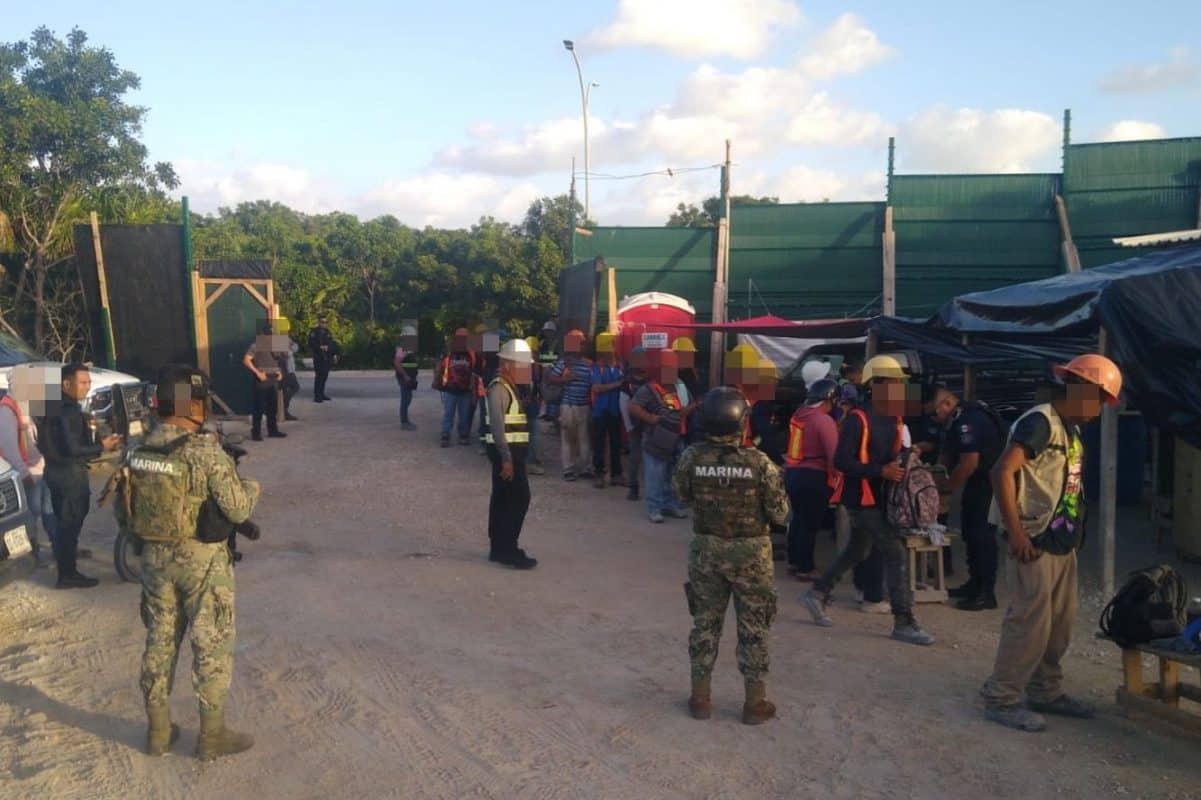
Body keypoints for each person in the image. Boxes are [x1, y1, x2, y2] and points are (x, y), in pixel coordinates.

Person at [116, 365, 260, 760]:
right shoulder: (204, 450)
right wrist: (251, 485)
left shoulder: (138, 450)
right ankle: (211, 738)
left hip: (154, 561)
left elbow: (123, 511)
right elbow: (237, 507)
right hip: (203, 564)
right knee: (211, 643)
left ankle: (158, 733)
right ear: (192, 404)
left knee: (159, 642)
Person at [980, 354, 1121, 732]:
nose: (1097, 413)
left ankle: (1046, 690)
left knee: (1059, 625)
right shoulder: (1041, 422)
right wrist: (1017, 532)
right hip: (1034, 539)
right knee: (1029, 623)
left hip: (1061, 541)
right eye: (1097, 401)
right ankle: (1002, 697)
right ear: (1079, 389)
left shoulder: (1070, 430)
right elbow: (1002, 471)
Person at [799, 355, 935, 646]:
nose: (901, 388)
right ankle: (903, 621)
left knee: (857, 551)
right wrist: (881, 470)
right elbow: (842, 461)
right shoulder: (858, 419)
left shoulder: (894, 419)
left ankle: (818, 592)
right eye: (896, 382)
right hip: (861, 499)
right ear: (879, 384)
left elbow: (888, 457)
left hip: (880, 497)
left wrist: (906, 458)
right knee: (895, 551)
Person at [675, 387, 791, 725]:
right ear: (741, 423)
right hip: (752, 556)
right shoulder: (760, 464)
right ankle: (754, 703)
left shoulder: (691, 458)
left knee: (705, 623)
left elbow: (682, 497)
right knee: (754, 626)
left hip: (707, 553)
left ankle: (700, 698)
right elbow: (781, 514)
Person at [36, 363, 123, 588]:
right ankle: (67, 575)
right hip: (68, 475)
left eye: (89, 382)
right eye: (83, 382)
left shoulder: (51, 404)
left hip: (56, 472)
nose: (88, 387)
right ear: (66, 383)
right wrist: (101, 446)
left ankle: (67, 570)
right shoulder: (67, 410)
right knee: (69, 526)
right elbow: (72, 449)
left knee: (67, 525)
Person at [927, 385, 1006, 611]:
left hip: (990, 482)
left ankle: (986, 593)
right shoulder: (957, 419)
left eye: (936, 412)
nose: (935, 417)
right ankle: (974, 583)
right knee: (970, 530)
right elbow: (948, 452)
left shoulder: (967, 421)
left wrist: (946, 488)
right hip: (979, 481)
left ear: (948, 404)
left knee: (982, 534)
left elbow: (969, 463)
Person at [485, 339, 538, 569]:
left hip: (511, 455)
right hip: (507, 456)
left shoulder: (511, 387)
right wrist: (506, 458)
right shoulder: (499, 388)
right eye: (523, 366)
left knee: (503, 499)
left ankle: (499, 548)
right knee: (517, 499)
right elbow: (497, 426)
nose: (526, 370)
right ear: (508, 364)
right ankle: (508, 549)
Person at [783, 378, 840, 581]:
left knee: (798, 520)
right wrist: (836, 479)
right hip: (814, 476)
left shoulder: (800, 415)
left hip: (793, 473)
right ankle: (806, 568)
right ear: (829, 400)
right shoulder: (823, 421)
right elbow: (834, 455)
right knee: (810, 524)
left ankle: (794, 561)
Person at [629, 348, 693, 523]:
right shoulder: (649, 389)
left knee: (673, 474)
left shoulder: (679, 387)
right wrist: (650, 418)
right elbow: (633, 407)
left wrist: (696, 405)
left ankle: (670, 504)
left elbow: (680, 412)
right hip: (656, 439)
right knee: (655, 474)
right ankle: (654, 508)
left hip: (677, 437)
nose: (672, 372)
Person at [0, 386, 51, 566]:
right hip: (28, 474)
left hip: (39, 469)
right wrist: (24, 475)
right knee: (30, 516)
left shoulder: (24, 407)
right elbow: (10, 450)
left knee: (46, 513)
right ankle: (32, 555)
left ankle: (60, 550)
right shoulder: (7, 411)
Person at [548, 329, 593, 481]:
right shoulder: (565, 362)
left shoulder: (587, 364)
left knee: (582, 438)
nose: (582, 346)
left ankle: (582, 468)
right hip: (569, 405)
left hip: (582, 406)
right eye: (581, 343)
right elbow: (552, 379)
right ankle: (570, 469)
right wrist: (565, 380)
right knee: (570, 438)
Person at [590, 332, 625, 488]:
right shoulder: (597, 367)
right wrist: (617, 384)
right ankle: (599, 474)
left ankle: (616, 475)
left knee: (616, 443)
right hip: (600, 410)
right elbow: (597, 388)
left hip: (616, 410)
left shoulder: (621, 366)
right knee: (599, 443)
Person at [242, 323, 287, 442]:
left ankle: (273, 431)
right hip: (262, 379)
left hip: (273, 379)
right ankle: (255, 433)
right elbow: (246, 360)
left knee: (272, 408)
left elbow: (281, 360)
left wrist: (280, 372)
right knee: (259, 408)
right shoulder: (256, 345)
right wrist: (257, 373)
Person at [433, 328, 476, 447]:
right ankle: (445, 435)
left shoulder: (471, 352)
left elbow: (475, 367)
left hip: (465, 389)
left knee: (464, 415)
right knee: (448, 414)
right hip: (450, 388)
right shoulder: (448, 351)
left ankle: (463, 435)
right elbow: (439, 366)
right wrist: (438, 381)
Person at [620, 347, 648, 502]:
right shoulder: (627, 382)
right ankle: (633, 488)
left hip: (648, 423)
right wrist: (629, 427)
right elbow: (623, 404)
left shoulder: (648, 379)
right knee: (635, 458)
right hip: (635, 425)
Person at [523, 337, 546, 476]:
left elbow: (538, 386)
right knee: (530, 434)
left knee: (532, 434)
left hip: (533, 405)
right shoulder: (523, 366)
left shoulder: (538, 368)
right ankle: (528, 463)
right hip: (524, 405)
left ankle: (530, 460)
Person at [308, 314, 339, 402]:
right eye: (322, 322)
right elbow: (311, 344)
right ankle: (317, 395)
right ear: (319, 322)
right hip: (319, 357)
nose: (324, 324)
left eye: (325, 322)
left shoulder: (328, 332)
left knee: (324, 376)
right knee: (319, 377)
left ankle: (322, 394)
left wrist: (332, 352)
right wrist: (320, 347)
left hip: (327, 358)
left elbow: (332, 344)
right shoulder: (314, 332)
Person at [393, 337, 419, 431]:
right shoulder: (403, 348)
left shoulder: (408, 348)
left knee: (407, 399)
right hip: (405, 378)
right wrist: (405, 375)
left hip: (408, 377)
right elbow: (397, 362)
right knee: (405, 399)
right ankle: (404, 422)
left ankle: (405, 421)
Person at [278, 337, 300, 422]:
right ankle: (283, 407)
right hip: (285, 370)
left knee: (286, 389)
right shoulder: (277, 339)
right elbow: (285, 353)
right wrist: (290, 349)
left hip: (289, 369)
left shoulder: (286, 338)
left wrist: (291, 347)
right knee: (295, 387)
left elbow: (296, 347)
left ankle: (284, 409)